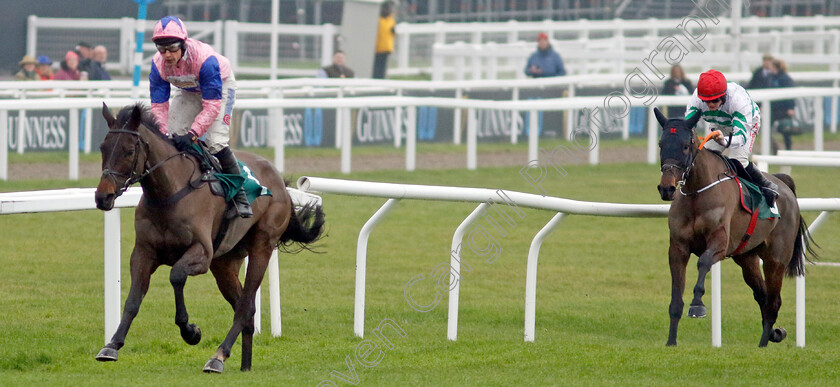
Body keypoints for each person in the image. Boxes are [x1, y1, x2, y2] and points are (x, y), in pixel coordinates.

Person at [149, 16, 252, 218]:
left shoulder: (205, 60)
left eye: (171, 48)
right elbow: (159, 105)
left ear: (183, 43)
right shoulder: (157, 65)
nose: (167, 55)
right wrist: (163, 133)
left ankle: (239, 196)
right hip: (188, 91)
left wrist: (194, 134)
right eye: (162, 49)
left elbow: (212, 106)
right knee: (172, 137)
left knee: (215, 142)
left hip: (219, 89)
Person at [685, 69, 779, 206]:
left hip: (747, 125)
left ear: (723, 95)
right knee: (702, 158)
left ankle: (767, 186)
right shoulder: (696, 99)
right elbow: (686, 126)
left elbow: (740, 137)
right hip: (719, 123)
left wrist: (724, 141)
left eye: (715, 100)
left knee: (737, 160)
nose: (710, 105)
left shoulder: (738, 101)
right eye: (707, 101)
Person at [769, 59, 798, 151]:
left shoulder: (785, 78)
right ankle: (775, 149)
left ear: (775, 67)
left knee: (786, 130)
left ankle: (788, 149)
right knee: (766, 129)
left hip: (784, 109)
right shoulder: (772, 77)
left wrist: (790, 107)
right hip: (774, 109)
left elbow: (790, 93)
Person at [372, 1, 395, 79]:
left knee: (383, 67)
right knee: (376, 66)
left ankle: (381, 79)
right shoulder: (378, 20)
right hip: (378, 48)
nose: (387, 10)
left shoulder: (391, 20)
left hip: (386, 48)